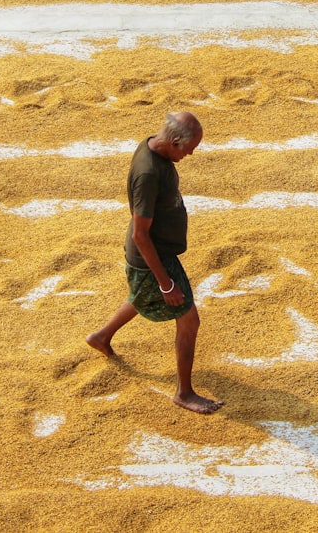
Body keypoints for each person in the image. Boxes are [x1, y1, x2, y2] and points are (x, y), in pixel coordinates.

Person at [86, 112, 223, 415]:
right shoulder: (148, 175)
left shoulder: (152, 145)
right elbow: (140, 234)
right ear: (174, 141)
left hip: (157, 251)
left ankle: (101, 337)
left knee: (140, 297)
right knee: (189, 320)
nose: (191, 153)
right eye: (189, 147)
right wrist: (166, 283)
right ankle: (184, 393)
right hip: (153, 256)